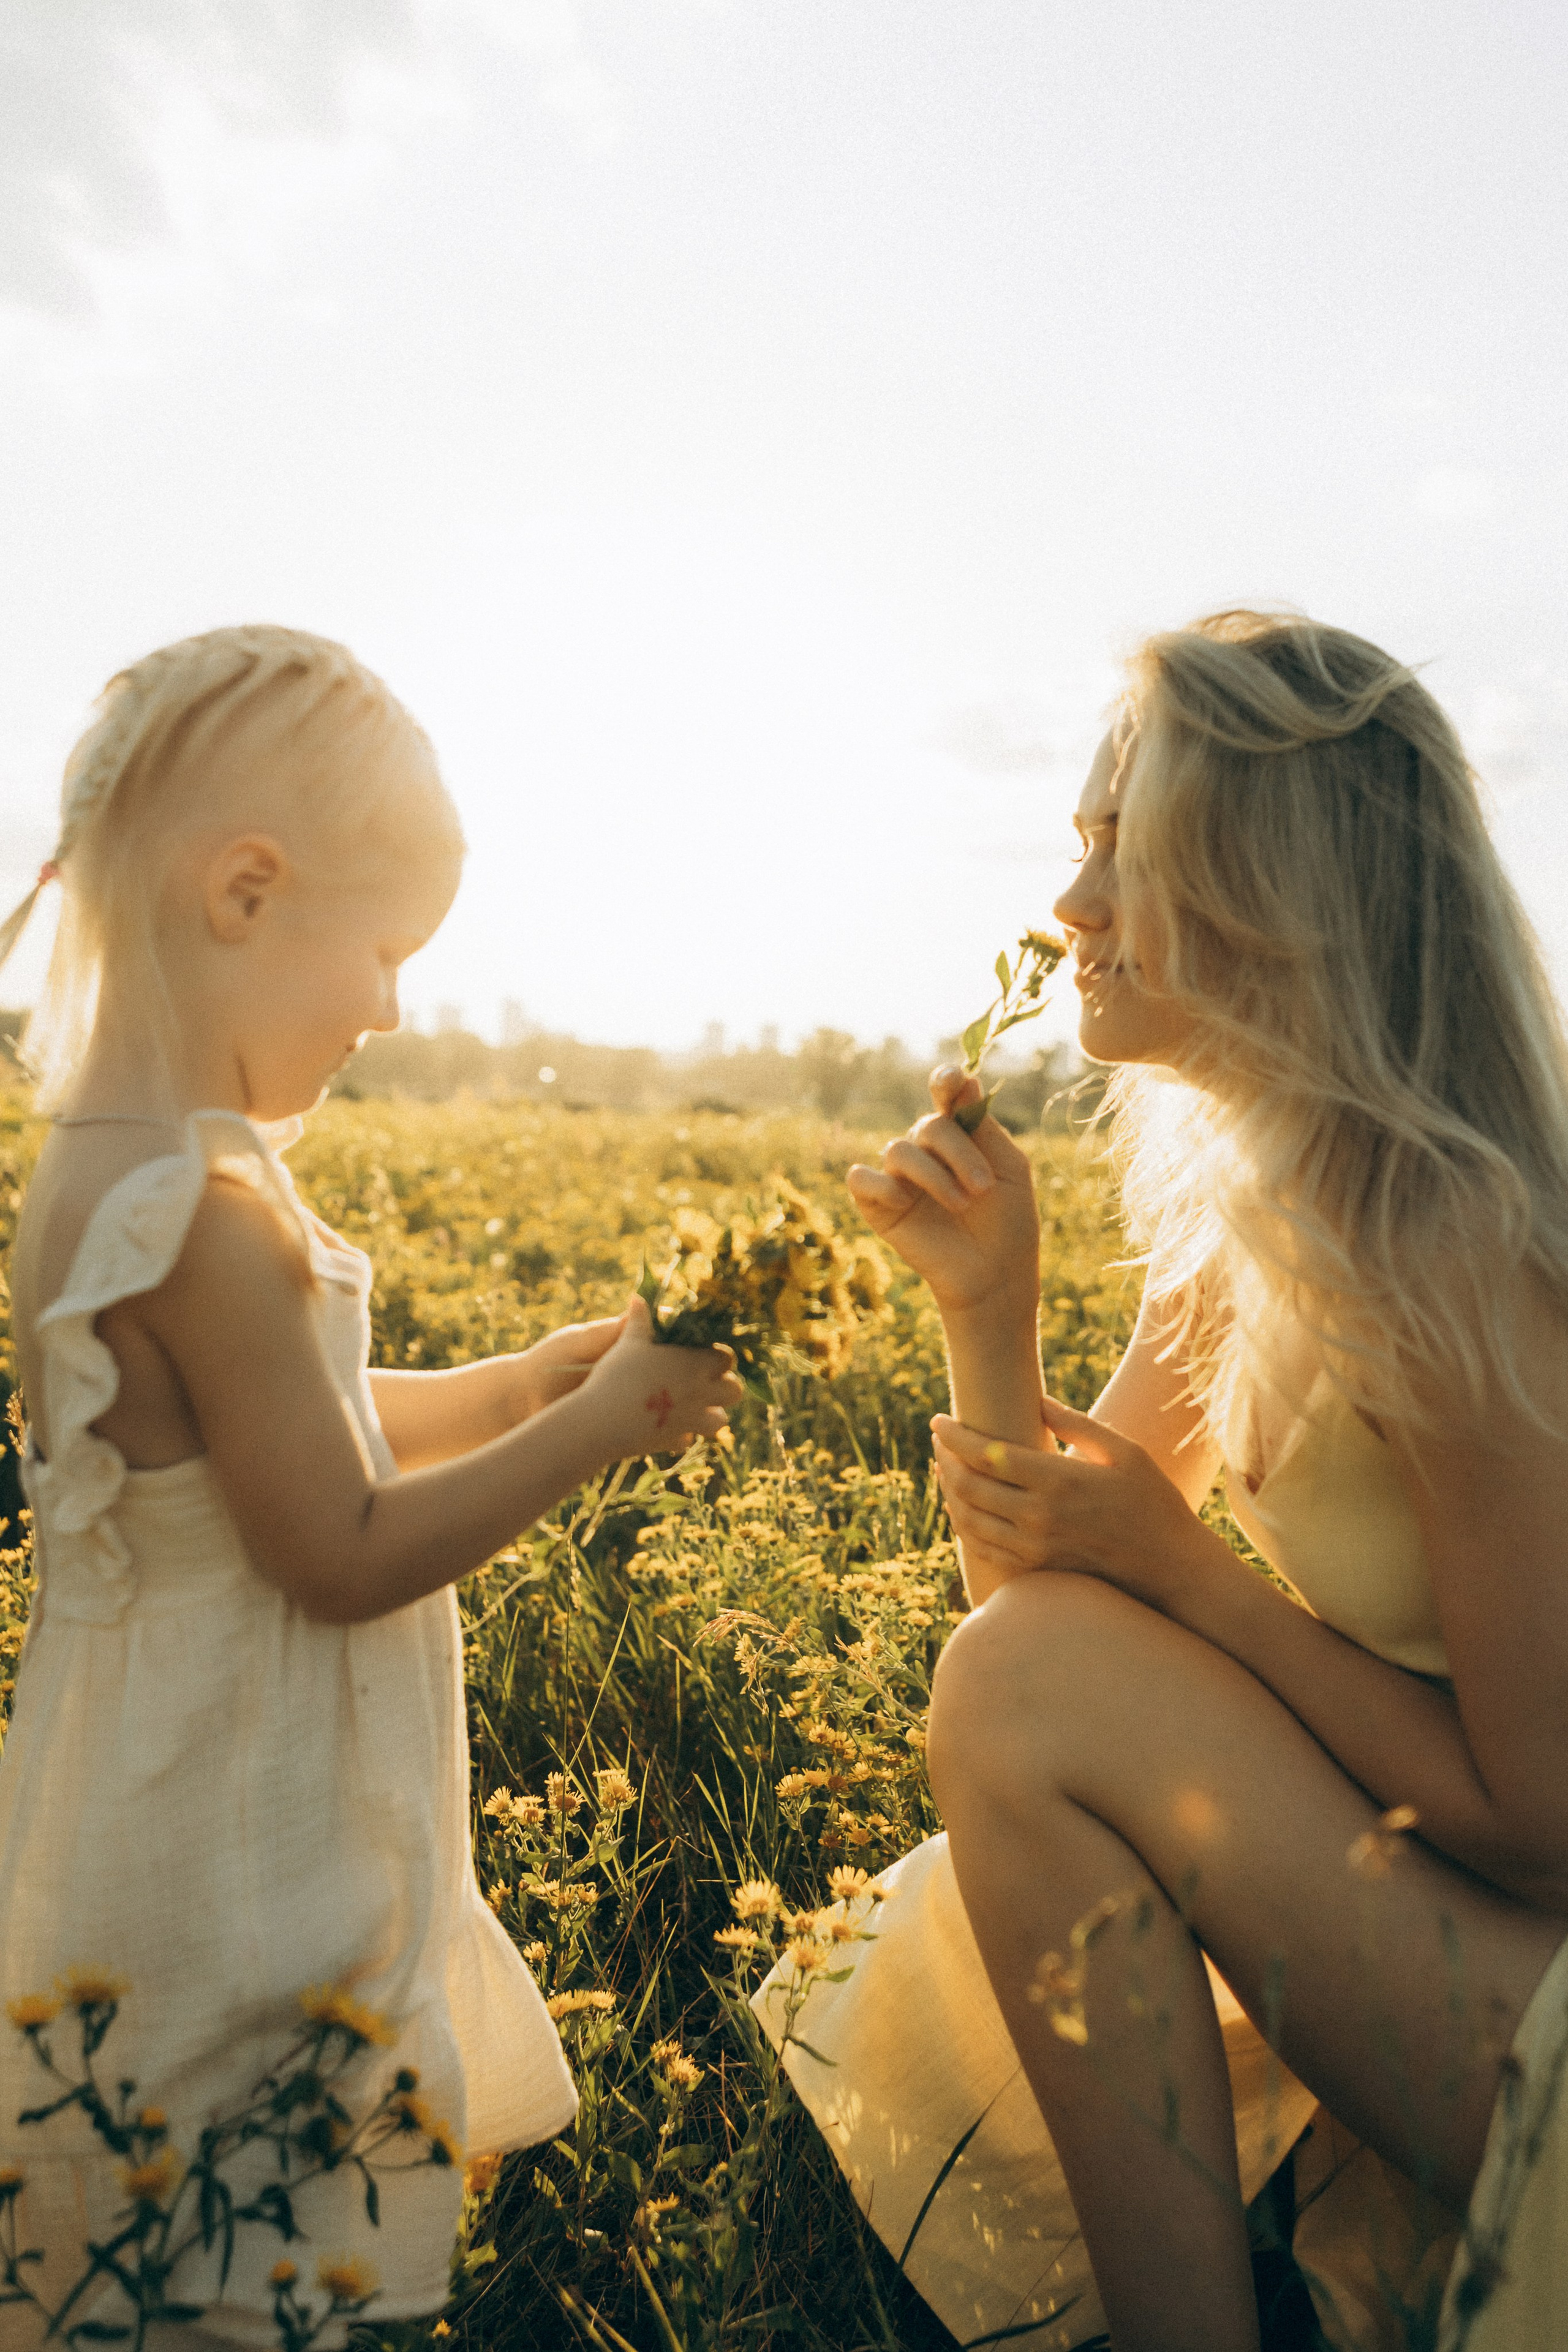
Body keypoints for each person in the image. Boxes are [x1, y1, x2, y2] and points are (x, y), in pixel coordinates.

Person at [763, 611, 1568, 2351]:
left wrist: (1197, 1582)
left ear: (1279, 881)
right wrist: (990, 1312)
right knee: (1018, 1679)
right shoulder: (1262, 1222)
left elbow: (1542, 1815)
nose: (1071, 905)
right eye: (1079, 847)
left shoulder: (1458, 1239)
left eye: (1122, 848)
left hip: (1547, 2007)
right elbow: (1036, 1645)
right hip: (1463, 1941)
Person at [0, 626, 740, 2343]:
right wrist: (597, 1427)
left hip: (138, 1785)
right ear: (245, 893)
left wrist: (515, 1383)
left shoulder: (102, 1170)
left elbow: (284, 1429)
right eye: (388, 952)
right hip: (244, 1838)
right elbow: (335, 1546)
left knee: (140, 2248)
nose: (392, 1010)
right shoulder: (205, 1213)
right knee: (250, 2245)